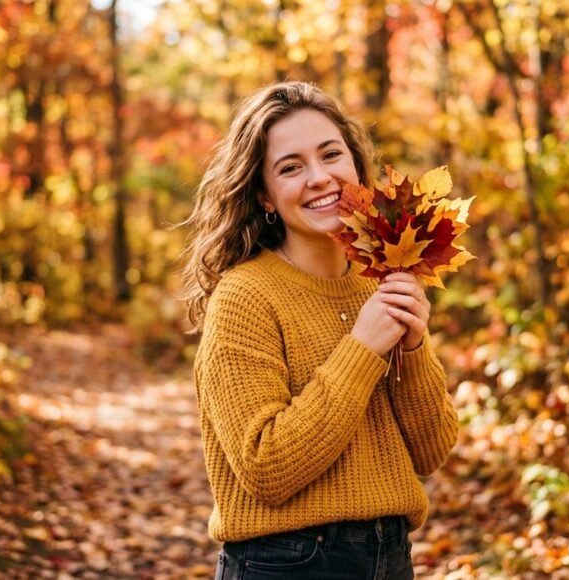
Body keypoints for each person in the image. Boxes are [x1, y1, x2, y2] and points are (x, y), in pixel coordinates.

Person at [182, 81, 459, 580]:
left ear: (354, 165)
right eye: (291, 167)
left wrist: (413, 346)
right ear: (265, 194)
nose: (320, 177)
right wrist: (362, 348)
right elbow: (266, 467)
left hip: (390, 556)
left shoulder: (380, 281)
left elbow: (432, 450)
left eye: (331, 154)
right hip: (286, 563)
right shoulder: (245, 298)